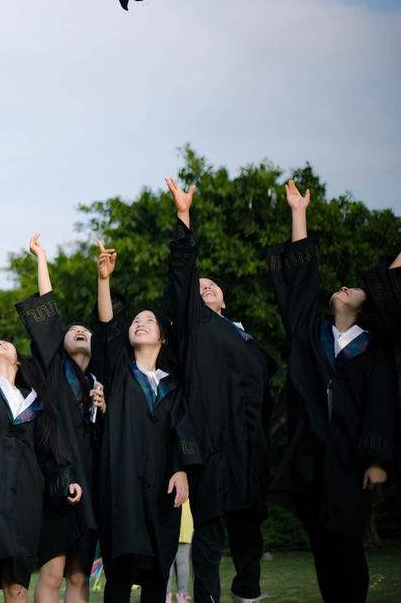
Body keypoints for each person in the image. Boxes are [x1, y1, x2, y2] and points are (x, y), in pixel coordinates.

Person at [267, 180, 395, 603]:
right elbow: (301, 285)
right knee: (322, 546)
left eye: (355, 289)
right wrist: (298, 213)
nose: (345, 288)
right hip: (311, 459)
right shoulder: (313, 334)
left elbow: (381, 401)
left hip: (350, 459)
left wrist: (376, 458)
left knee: (347, 544)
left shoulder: (373, 348)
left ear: (366, 304)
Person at [164, 177, 275, 603]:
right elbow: (182, 273)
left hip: (248, 445)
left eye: (213, 285)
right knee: (208, 534)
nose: (205, 286)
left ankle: (248, 592)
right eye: (200, 285)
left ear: (225, 301)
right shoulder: (195, 328)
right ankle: (206, 597)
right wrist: (184, 216)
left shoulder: (248, 340)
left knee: (248, 528)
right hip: (210, 444)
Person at [0, 239, 73, 603]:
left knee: (17, 584)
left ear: (20, 361)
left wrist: (42, 261)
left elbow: (49, 335)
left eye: (5, 343)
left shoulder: (34, 399)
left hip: (25, 491)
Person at [94, 240, 201, 603]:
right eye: (135, 321)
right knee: (120, 575)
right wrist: (104, 279)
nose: (139, 323)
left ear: (162, 336)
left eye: (148, 320)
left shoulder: (174, 385)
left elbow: (184, 431)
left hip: (162, 490)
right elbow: (107, 329)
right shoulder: (119, 374)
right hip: (121, 486)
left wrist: (184, 468)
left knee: (158, 574)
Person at [14, 235, 101, 603]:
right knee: (52, 572)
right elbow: (48, 316)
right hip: (58, 478)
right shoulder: (51, 373)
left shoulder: (100, 385)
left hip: (93, 481)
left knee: (80, 576)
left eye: (86, 329)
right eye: (71, 330)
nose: (79, 330)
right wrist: (42, 260)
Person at [168, 500, 193, 603]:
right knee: (183, 563)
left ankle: (166, 595)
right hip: (186, 523)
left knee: (167, 563)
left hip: (168, 522)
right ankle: (182, 595)